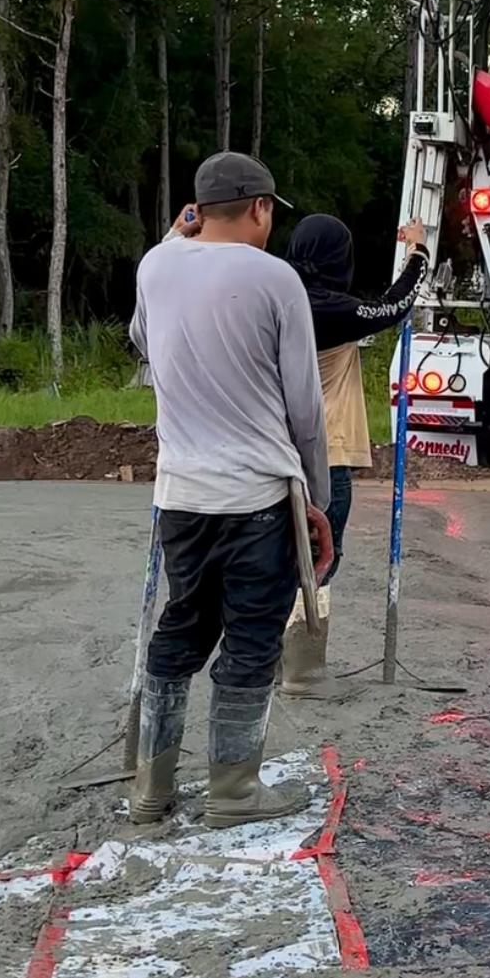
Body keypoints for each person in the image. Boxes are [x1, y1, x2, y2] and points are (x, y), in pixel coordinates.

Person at [128, 150, 334, 828]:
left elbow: (140, 338)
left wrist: (174, 234)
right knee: (250, 637)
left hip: (181, 494)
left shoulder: (156, 267)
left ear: (197, 211)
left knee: (181, 627)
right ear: (259, 207)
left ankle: (149, 791)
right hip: (256, 498)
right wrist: (318, 499)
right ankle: (232, 793)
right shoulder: (275, 280)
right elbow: (304, 405)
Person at [279, 211, 431, 690]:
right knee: (322, 554)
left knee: (276, 553)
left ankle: (265, 658)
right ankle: (302, 666)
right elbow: (394, 306)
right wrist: (419, 252)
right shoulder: (326, 309)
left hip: (274, 447)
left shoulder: (276, 299)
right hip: (328, 450)